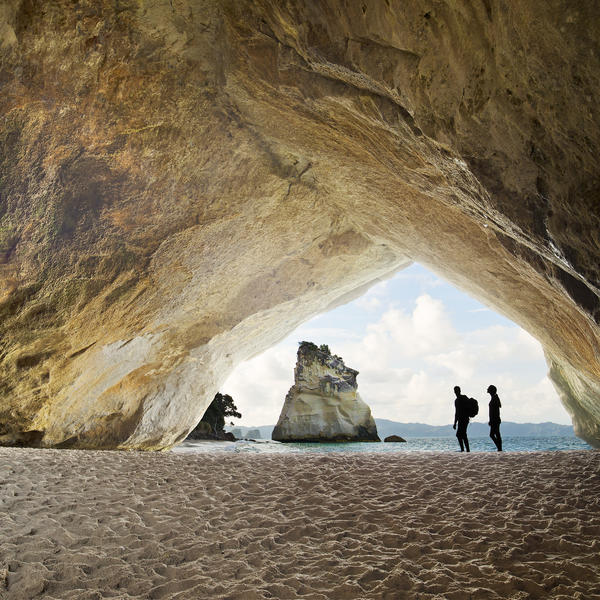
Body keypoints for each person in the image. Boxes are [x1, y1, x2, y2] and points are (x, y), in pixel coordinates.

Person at [452, 385, 471, 452]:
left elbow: (468, 406)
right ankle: (464, 449)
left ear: (459, 391)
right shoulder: (456, 401)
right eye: (455, 391)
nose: (456, 392)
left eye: (456, 391)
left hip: (465, 419)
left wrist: (455, 423)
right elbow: (456, 413)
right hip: (461, 419)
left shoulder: (463, 398)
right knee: (461, 434)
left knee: (461, 434)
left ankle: (466, 450)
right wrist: (455, 423)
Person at [487, 384, 502, 451]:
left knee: (494, 434)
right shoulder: (494, 397)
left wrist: (491, 420)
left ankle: (499, 448)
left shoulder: (495, 398)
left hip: (495, 419)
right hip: (495, 419)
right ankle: (499, 448)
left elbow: (495, 411)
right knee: (495, 434)